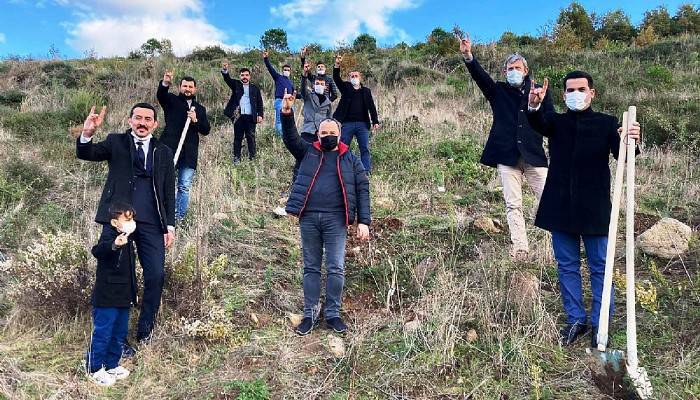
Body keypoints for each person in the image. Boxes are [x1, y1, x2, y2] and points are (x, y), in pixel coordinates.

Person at [527, 71, 641, 347]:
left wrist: (633, 139)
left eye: (580, 89)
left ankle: (600, 322)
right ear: (564, 95)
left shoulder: (607, 124)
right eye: (569, 90)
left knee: (601, 267)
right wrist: (533, 105)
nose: (575, 94)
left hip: (595, 208)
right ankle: (575, 319)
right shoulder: (556, 122)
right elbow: (538, 121)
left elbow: (624, 154)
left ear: (592, 93)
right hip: (560, 206)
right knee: (567, 266)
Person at [77, 103, 176, 345]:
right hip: (118, 221)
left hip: (153, 223)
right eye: (138, 118)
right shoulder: (115, 142)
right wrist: (87, 134)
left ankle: (145, 332)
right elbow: (86, 154)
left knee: (155, 275)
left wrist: (170, 226)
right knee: (115, 275)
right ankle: (112, 335)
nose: (143, 123)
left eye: (148, 119)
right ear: (130, 120)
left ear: (155, 124)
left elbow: (168, 191)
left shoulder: (163, 151)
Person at [280, 91, 371, 336]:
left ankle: (332, 314)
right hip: (308, 218)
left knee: (336, 267)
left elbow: (363, 188)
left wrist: (364, 221)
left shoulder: (350, 159)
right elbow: (290, 138)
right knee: (311, 267)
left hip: (336, 221)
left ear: (340, 136)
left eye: (333, 133)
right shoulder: (308, 151)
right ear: (318, 135)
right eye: (324, 133)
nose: (328, 136)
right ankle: (309, 314)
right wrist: (287, 113)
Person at [459, 34, 553, 261]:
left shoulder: (540, 91)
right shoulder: (498, 91)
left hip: (534, 155)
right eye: (510, 68)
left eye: (517, 67)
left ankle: (559, 245)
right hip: (507, 156)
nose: (513, 71)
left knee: (550, 200)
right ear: (504, 72)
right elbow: (480, 77)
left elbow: (550, 122)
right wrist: (468, 56)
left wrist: (537, 105)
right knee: (513, 205)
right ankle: (520, 248)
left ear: (526, 70)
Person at [85, 202, 137, 387]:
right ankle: (93, 368)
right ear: (115, 222)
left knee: (119, 333)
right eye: (127, 219)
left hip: (124, 295)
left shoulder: (129, 238)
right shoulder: (109, 235)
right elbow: (97, 251)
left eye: (132, 218)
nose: (131, 222)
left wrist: (133, 294)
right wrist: (114, 245)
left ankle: (111, 365)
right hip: (107, 296)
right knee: (103, 332)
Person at [156, 71, 211, 222]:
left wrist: (195, 120)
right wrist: (165, 83)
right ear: (180, 87)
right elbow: (161, 95)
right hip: (169, 150)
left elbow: (206, 130)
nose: (187, 89)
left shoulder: (200, 109)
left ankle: (179, 218)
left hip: (189, 153)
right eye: (185, 86)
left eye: (190, 87)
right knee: (163, 183)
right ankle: (161, 214)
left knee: (184, 187)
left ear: (195, 89)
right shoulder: (171, 101)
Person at [332, 54, 380, 173]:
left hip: (362, 125)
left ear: (360, 77)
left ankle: (365, 171)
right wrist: (337, 64)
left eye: (356, 75)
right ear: (349, 78)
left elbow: (372, 107)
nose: (354, 77)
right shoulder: (346, 87)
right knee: (343, 148)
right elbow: (336, 78)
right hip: (347, 124)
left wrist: (375, 121)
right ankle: (342, 170)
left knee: (364, 148)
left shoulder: (366, 91)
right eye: (352, 76)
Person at [221, 62, 264, 164]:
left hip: (250, 117)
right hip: (238, 116)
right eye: (242, 75)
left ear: (249, 76)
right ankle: (237, 158)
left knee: (251, 138)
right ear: (240, 76)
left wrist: (260, 115)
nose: (245, 77)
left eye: (246, 75)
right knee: (237, 138)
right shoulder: (236, 85)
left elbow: (259, 102)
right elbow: (227, 79)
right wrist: (225, 70)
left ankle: (253, 158)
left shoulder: (255, 88)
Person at [262, 50, 295, 136]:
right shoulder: (278, 77)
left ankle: (288, 138)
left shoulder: (291, 82)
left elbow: (295, 94)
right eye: (285, 69)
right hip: (280, 101)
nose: (286, 71)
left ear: (290, 71)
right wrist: (266, 59)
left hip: (290, 103)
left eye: (288, 70)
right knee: (279, 121)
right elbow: (270, 68)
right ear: (282, 70)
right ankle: (279, 139)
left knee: (290, 121)